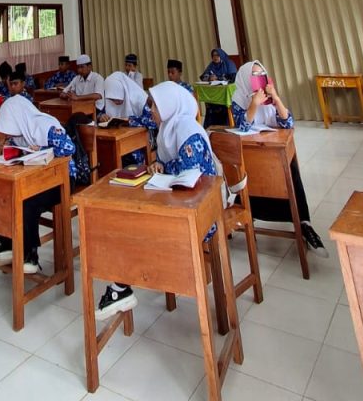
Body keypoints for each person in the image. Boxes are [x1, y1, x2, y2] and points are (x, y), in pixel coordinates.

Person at [96, 81, 218, 321]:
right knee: (131, 221)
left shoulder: (187, 130)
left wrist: (163, 168)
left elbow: (190, 171)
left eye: (155, 106)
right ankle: (121, 284)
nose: (150, 110)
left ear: (169, 105)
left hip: (202, 213)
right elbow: (170, 165)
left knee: (141, 229)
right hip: (179, 202)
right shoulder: (168, 129)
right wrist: (159, 167)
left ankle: (121, 285)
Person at [230, 61, 327, 255]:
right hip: (251, 152)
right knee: (250, 176)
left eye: (261, 74)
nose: (258, 79)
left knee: (289, 171)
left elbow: (288, 123)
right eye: (254, 75)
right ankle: (245, 214)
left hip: (274, 149)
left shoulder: (269, 96)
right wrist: (254, 104)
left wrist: (275, 98)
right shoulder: (239, 98)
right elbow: (243, 126)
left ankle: (303, 223)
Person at [0, 95, 76, 273]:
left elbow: (69, 148)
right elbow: (14, 150)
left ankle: (31, 255)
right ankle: (5, 245)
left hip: (62, 180)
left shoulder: (46, 126)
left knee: (27, 201)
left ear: (19, 117)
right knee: (2, 193)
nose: (10, 134)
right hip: (36, 179)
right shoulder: (20, 132)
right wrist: (3, 147)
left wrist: (41, 150)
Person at [200, 46, 236, 127]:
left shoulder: (228, 63)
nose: (215, 57)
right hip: (215, 94)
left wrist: (218, 78)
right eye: (213, 55)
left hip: (226, 93)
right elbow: (203, 77)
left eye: (217, 55)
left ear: (221, 55)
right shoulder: (212, 65)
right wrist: (209, 77)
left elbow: (233, 77)